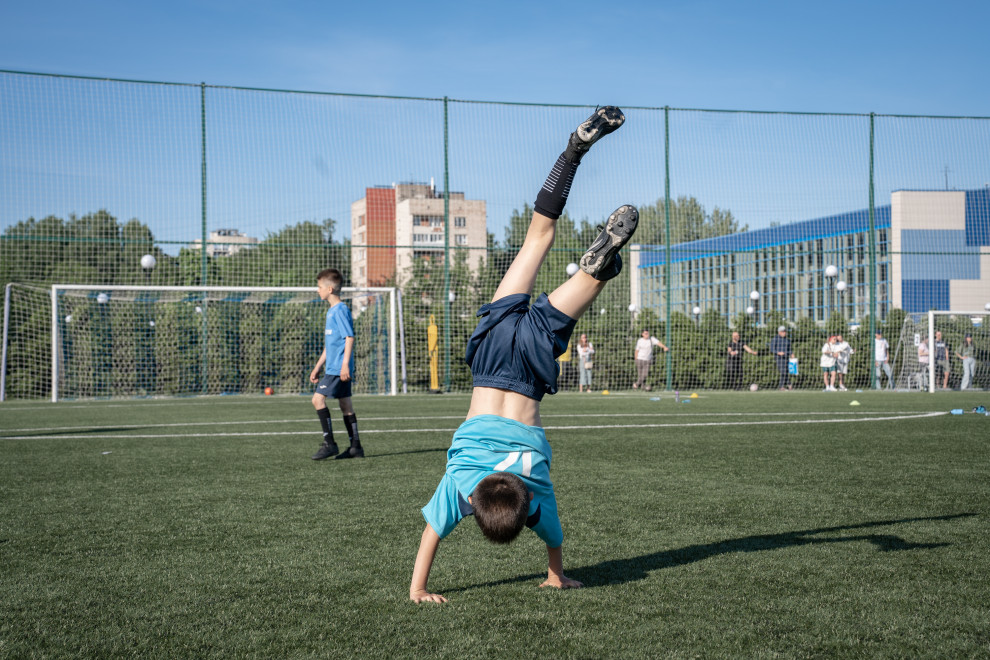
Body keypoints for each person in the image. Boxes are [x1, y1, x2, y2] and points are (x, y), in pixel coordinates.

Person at [410, 106, 631, 604]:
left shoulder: (536, 490)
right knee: (537, 238)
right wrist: (416, 588)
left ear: (522, 501)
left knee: (585, 282)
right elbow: (430, 535)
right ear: (478, 498)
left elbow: (553, 540)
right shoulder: (461, 485)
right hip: (490, 356)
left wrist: (556, 576)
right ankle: (575, 148)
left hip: (530, 368)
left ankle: (597, 268)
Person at [309, 268, 363, 460]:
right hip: (334, 366)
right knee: (345, 404)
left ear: (329, 289)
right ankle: (355, 447)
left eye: (319, 287)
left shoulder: (340, 310)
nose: (317, 290)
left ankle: (329, 443)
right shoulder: (332, 311)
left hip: (338, 368)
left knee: (317, 400)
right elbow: (330, 346)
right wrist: (317, 367)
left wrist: (345, 365)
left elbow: (349, 337)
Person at [769, 326, 795, 390]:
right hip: (779, 358)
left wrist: (791, 353)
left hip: (786, 358)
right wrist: (778, 352)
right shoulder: (775, 339)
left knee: (786, 371)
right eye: (783, 331)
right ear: (779, 332)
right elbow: (771, 349)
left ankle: (789, 384)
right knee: (783, 371)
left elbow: (789, 349)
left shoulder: (787, 340)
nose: (784, 333)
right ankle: (782, 386)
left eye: (785, 331)